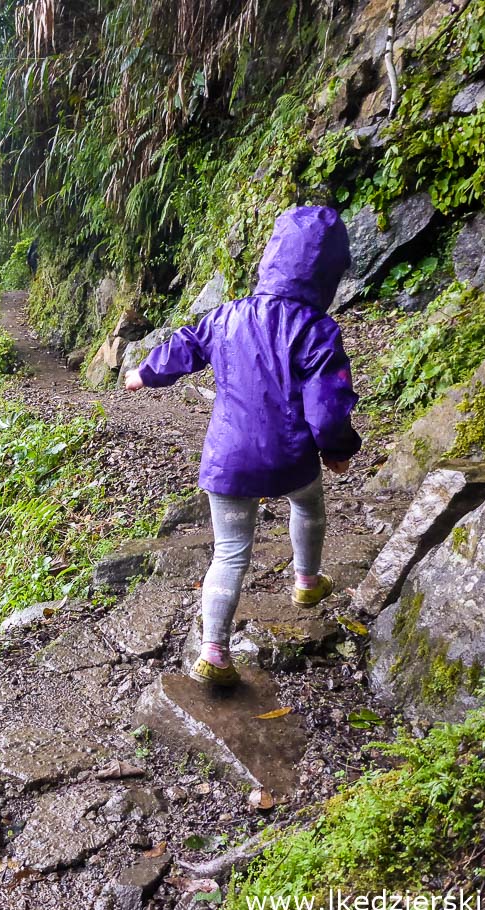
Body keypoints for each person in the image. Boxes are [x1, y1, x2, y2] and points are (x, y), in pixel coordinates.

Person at [124, 205, 361, 686]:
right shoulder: (317, 330)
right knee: (309, 505)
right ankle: (307, 583)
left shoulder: (228, 315)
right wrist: (337, 449)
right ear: (328, 273)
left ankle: (213, 652)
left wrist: (145, 372)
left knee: (230, 552)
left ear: (270, 259)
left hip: (228, 461)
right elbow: (327, 404)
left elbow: (185, 344)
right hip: (289, 458)